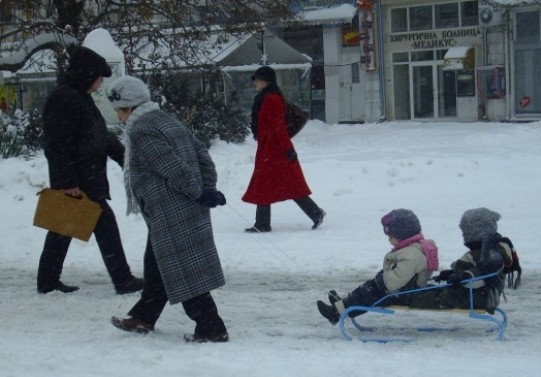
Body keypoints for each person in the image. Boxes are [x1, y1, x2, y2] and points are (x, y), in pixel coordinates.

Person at [107, 76, 229, 343]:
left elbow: (171, 167)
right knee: (157, 264)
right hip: (182, 204)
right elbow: (202, 156)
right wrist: (206, 189)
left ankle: (211, 328)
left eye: (118, 109)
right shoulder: (167, 121)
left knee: (183, 269)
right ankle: (144, 316)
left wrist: (200, 192)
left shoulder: (141, 129)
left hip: (170, 209)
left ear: (128, 106)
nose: (118, 116)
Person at [37, 45, 143, 295]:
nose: (100, 83)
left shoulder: (80, 97)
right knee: (98, 226)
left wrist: (126, 158)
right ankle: (122, 279)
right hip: (79, 180)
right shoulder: (64, 98)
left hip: (88, 176)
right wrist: (66, 182)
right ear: (86, 74)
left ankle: (48, 281)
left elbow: (100, 136)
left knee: (63, 230)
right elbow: (55, 143)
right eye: (99, 77)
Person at [317, 209, 439, 324]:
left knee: (368, 294)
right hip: (403, 290)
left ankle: (335, 313)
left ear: (403, 236)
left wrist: (382, 277)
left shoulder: (411, 256)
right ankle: (342, 303)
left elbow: (393, 283)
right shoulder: (411, 249)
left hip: (403, 295)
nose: (389, 240)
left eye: (391, 237)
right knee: (368, 288)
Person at [242, 65, 325, 233]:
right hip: (269, 148)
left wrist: (288, 150)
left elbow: (279, 127)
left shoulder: (271, 99)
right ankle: (314, 213)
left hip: (275, 150)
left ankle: (264, 223)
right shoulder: (266, 97)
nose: (255, 83)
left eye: (257, 80)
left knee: (275, 184)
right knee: (275, 185)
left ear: (265, 81)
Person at [409, 207, 513, 314]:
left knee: (418, 298)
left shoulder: (491, 251)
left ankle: (405, 297)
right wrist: (452, 274)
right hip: (471, 293)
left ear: (477, 231)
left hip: (476, 297)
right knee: (429, 290)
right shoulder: (484, 247)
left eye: (466, 231)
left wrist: (465, 276)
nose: (464, 234)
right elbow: (476, 268)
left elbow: (487, 271)